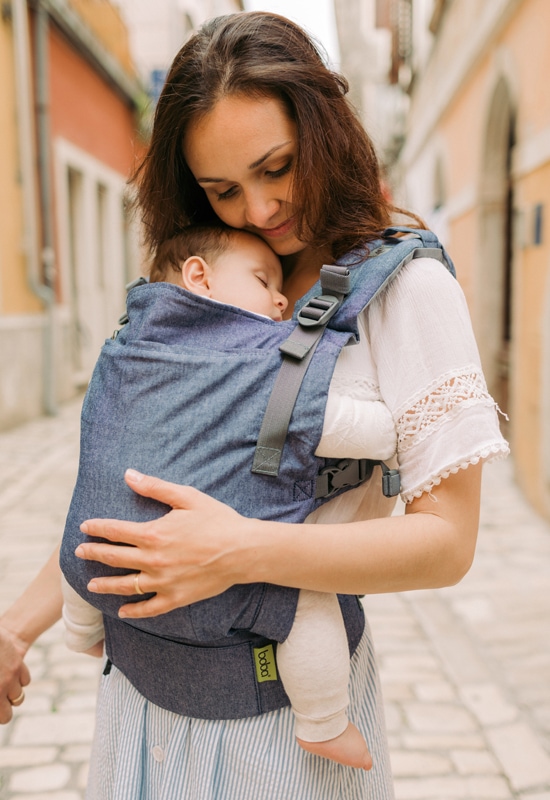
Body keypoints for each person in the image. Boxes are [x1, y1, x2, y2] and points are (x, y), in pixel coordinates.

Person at [0, 11, 509, 799]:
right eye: (224, 189)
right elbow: (135, 487)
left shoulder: (407, 290)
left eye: (279, 167)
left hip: (280, 726)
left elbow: (446, 542)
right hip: (138, 704)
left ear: (324, 129)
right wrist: (15, 628)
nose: (263, 210)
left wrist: (238, 550)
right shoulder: (206, 277)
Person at [61, 223, 399, 770]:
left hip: (107, 568)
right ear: (201, 278)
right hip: (231, 592)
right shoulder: (265, 368)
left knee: (88, 532)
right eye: (263, 279)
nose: (283, 297)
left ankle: (80, 632)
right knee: (306, 597)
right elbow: (370, 432)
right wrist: (391, 418)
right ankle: (323, 722)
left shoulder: (126, 352)